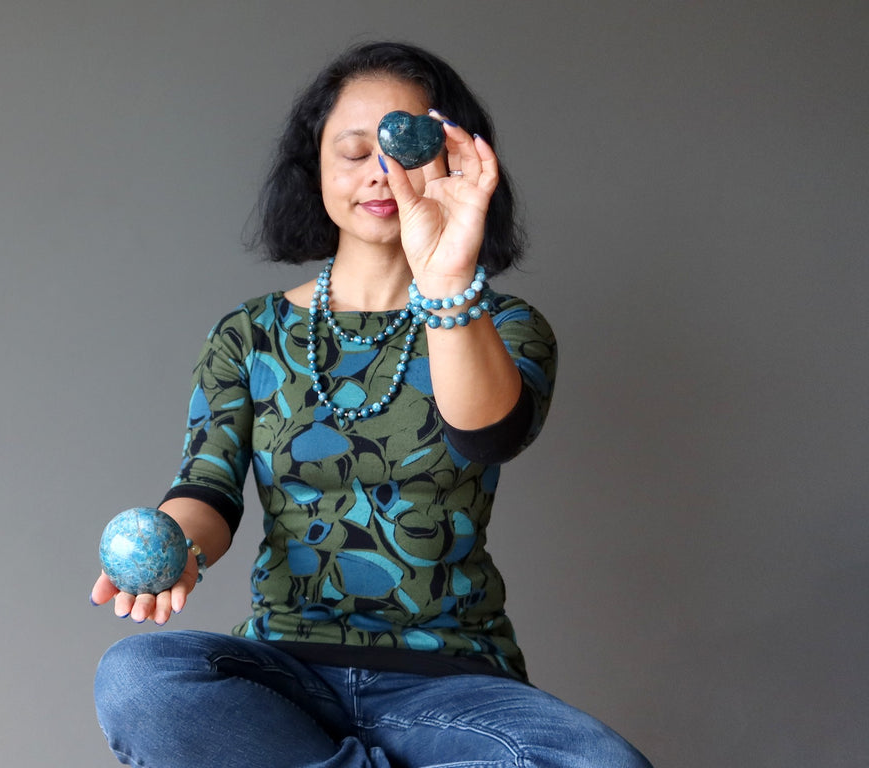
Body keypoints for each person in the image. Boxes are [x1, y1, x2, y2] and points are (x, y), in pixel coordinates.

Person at [91, 41, 653, 768]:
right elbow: (206, 487)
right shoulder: (250, 334)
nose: (381, 174)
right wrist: (177, 549)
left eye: (405, 148)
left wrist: (447, 272)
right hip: (287, 677)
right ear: (316, 169)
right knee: (138, 680)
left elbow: (489, 433)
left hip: (455, 686)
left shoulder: (504, 326)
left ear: (452, 158)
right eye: (354, 151)